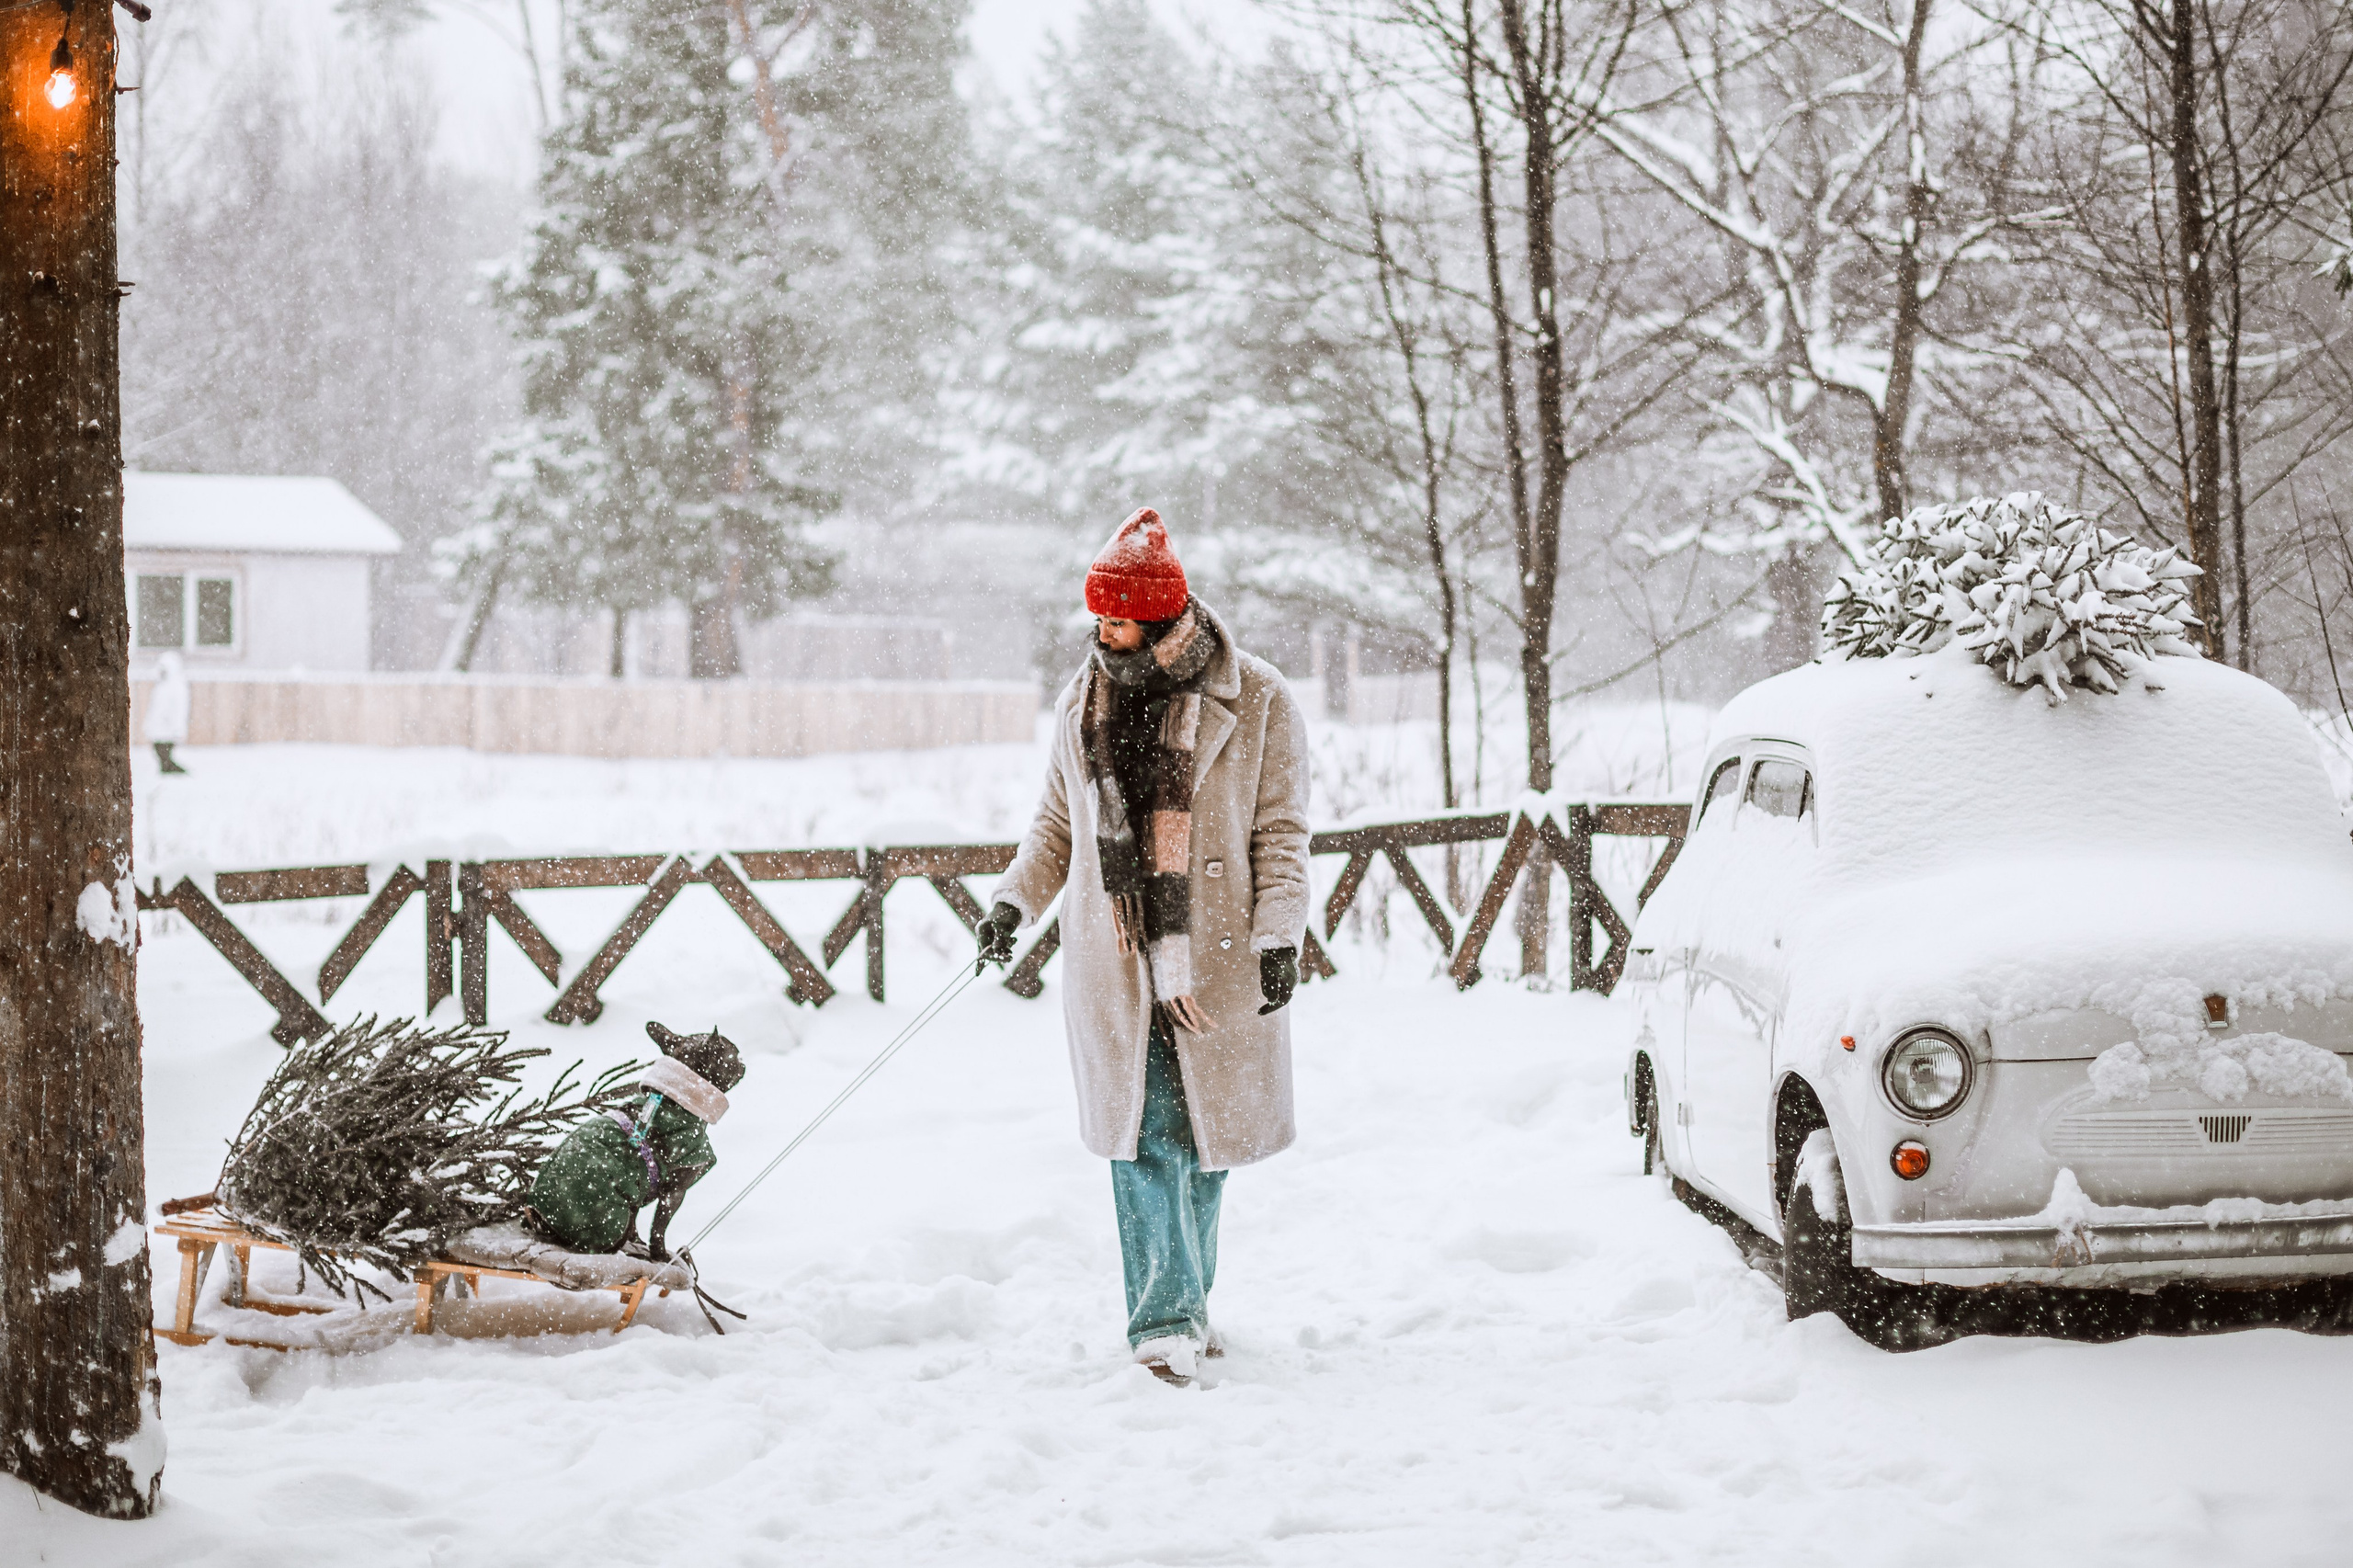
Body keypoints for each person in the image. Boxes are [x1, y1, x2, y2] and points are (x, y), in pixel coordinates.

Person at [976, 506, 1310, 1385]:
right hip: (1117, 963)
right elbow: (1058, 827)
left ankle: (1190, 1305)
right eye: (1098, 617)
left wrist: (1279, 936)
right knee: (1146, 1136)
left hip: (1218, 960)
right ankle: (1163, 1321)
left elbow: (1280, 833)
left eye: (1117, 617)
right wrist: (1012, 906)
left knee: (1206, 1146)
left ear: (1164, 616)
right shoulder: (1080, 704)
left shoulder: (1261, 699)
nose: (1103, 633)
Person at [145, 651, 190, 774]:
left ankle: (169, 768)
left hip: (167, 725)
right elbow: (155, 707)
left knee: (164, 749)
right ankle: (167, 767)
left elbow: (178, 709)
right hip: (158, 725)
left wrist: (176, 725)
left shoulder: (176, 687)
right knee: (158, 748)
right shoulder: (161, 686)